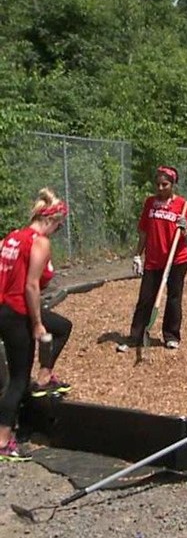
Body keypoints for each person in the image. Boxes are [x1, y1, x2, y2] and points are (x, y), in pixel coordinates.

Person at [1, 189, 75, 460]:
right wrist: (36, 323)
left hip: (5, 307)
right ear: (53, 220)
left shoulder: (11, 237)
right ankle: (3, 441)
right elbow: (32, 286)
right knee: (18, 380)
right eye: (59, 224)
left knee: (62, 327)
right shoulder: (39, 242)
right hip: (18, 311)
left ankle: (45, 375)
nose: (59, 229)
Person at [117, 166, 187, 353]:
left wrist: (184, 229)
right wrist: (137, 255)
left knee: (174, 298)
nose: (160, 188)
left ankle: (171, 336)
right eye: (157, 184)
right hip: (153, 259)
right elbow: (143, 232)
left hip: (176, 260)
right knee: (145, 298)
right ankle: (136, 336)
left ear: (172, 184)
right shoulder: (150, 203)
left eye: (164, 184)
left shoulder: (182, 205)